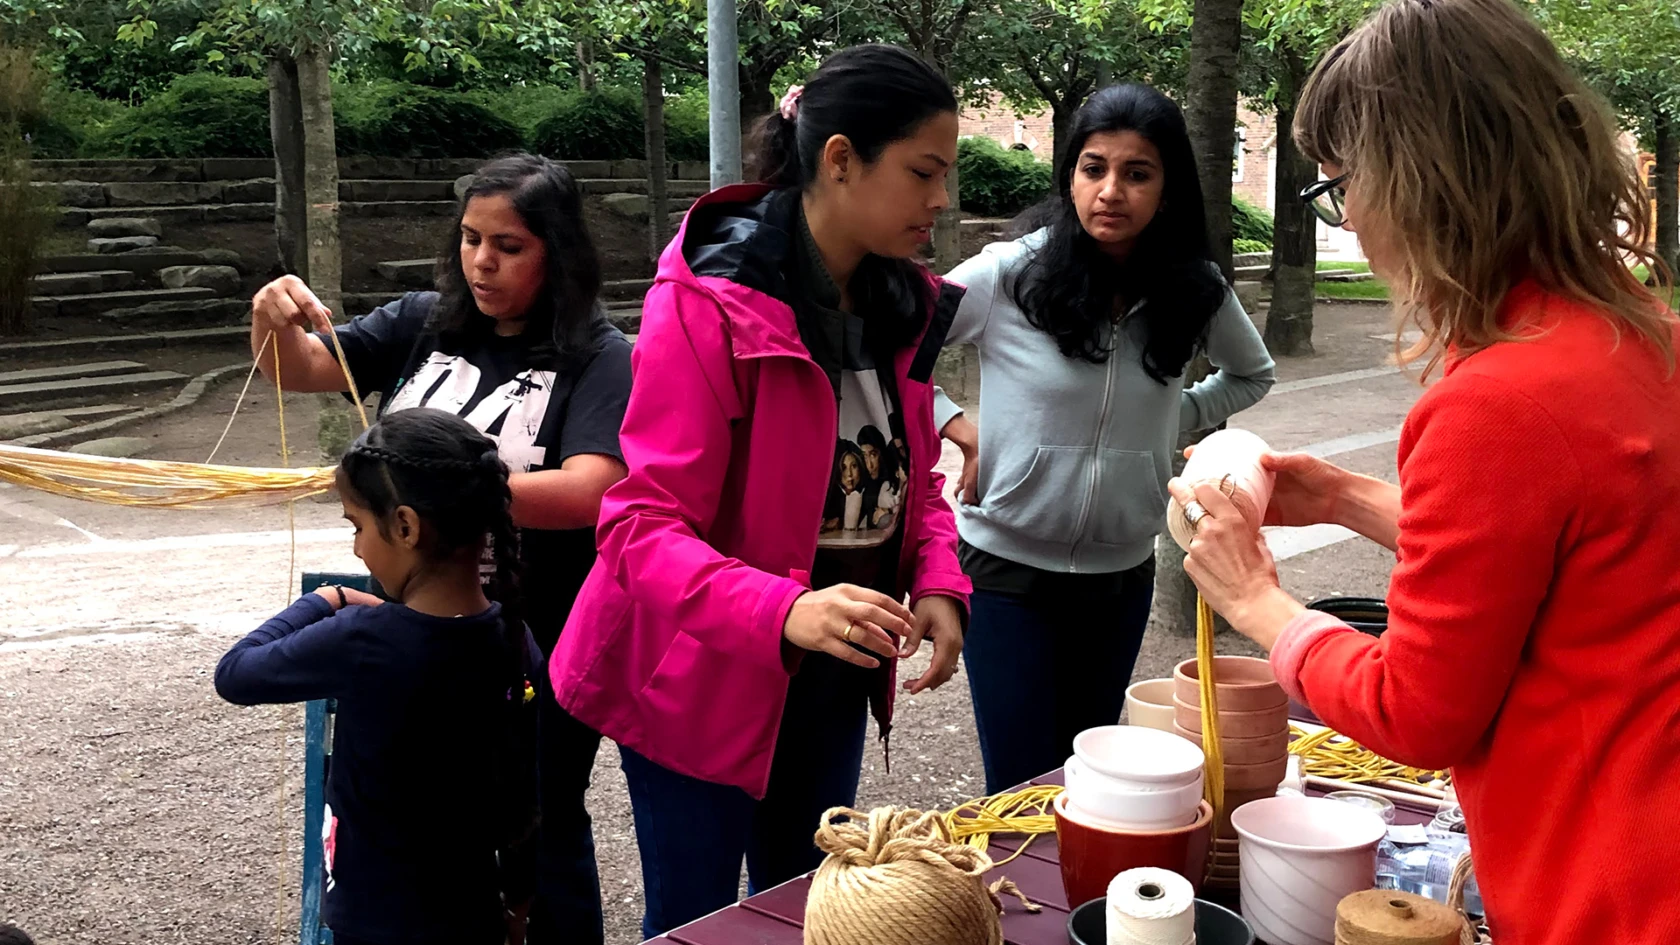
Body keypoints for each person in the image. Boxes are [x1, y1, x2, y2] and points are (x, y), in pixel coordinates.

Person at [1168, 2, 1680, 943]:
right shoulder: (1644, 335)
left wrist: (1258, 601)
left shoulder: (1497, 402)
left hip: (1606, 889)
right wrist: (1348, 497)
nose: (1349, 218)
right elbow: (1561, 573)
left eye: (1339, 187)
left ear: (1414, 179)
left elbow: (1417, 713)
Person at [548, 44, 972, 938]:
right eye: (924, 172)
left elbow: (908, 473)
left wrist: (939, 579)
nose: (942, 199)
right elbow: (640, 526)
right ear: (841, 158)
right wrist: (784, 609)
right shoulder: (709, 298)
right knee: (697, 920)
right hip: (697, 673)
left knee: (809, 908)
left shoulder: (901, 306)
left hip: (832, 664)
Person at [246, 153, 628, 945]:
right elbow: (297, 365)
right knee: (414, 827)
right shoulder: (424, 319)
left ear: (558, 250)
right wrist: (270, 312)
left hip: (535, 642)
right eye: (469, 238)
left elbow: (595, 487)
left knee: (539, 819)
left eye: (509, 246)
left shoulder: (598, 353)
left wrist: (441, 489)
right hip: (411, 631)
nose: (481, 261)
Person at [933, 84, 1276, 792]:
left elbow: (1252, 373)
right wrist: (952, 423)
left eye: (1137, 173)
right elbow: (891, 348)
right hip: (1003, 570)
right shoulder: (1009, 272)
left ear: (1167, 187)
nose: (1111, 191)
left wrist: (1160, 424)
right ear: (1069, 175)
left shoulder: (1196, 287)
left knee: (1091, 776)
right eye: (1094, 168)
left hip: (1120, 578)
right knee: (1023, 783)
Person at [215, 408, 540, 945]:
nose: (358, 547)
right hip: (475, 914)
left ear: (406, 526)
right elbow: (526, 792)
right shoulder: (515, 639)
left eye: (358, 526)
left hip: (376, 920)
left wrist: (327, 599)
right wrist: (519, 906)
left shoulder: (360, 639)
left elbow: (235, 673)